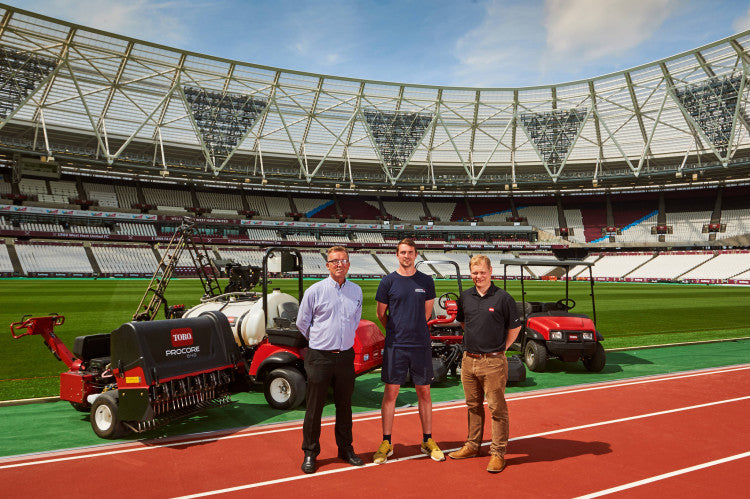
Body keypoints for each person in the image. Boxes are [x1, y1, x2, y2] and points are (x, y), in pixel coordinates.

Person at [372, 238, 444, 464]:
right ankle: (386, 442)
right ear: (397, 255)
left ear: (416, 254)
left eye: (410, 252)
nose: (406, 256)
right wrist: (396, 331)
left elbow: (426, 314)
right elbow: (381, 314)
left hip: (420, 345)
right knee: (391, 392)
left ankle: (427, 440)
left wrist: (412, 329)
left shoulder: (426, 281)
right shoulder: (388, 282)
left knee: (424, 392)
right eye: (403, 252)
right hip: (396, 346)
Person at [448, 254, 522, 473]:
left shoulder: (503, 298)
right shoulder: (465, 297)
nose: (478, 276)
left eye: (482, 272)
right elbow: (464, 322)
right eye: (474, 273)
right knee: (473, 406)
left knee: (497, 409)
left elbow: (515, 328)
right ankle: (472, 445)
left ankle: (498, 453)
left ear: (491, 272)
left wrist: (501, 349)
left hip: (493, 362)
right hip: (469, 360)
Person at [296, 246, 364, 474]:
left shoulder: (356, 291)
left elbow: (355, 321)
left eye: (343, 260)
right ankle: (310, 452)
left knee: (345, 406)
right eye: (335, 261)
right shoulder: (315, 291)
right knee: (314, 407)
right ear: (327, 265)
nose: (339, 264)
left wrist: (341, 340)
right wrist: (321, 340)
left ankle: (345, 449)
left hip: (345, 356)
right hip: (320, 357)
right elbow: (302, 323)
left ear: (348, 265)